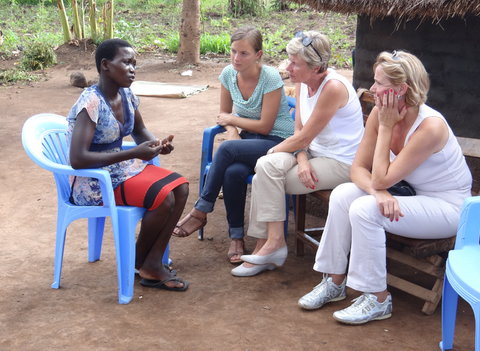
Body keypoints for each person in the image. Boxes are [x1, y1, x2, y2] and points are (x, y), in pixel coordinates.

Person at [297, 50, 472, 325]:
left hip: (448, 208)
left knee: (367, 210)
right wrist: (378, 191)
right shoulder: (380, 113)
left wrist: (387, 129)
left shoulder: (430, 127)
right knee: (344, 195)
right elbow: (358, 169)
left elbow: (380, 179)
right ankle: (334, 281)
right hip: (410, 194)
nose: (374, 89)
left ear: (401, 89)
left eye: (380, 84)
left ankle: (378, 299)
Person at [231, 30, 364, 277]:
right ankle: (271, 244)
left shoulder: (333, 88)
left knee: (266, 172)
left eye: (295, 63)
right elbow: (300, 130)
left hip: (341, 162)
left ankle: (268, 246)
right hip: (311, 151)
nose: (288, 68)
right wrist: (301, 158)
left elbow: (302, 137)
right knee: (267, 167)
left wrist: (273, 149)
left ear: (316, 68)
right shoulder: (302, 83)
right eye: (289, 60)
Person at [67, 38, 190, 291]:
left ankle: (149, 261)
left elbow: (140, 130)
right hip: (93, 182)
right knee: (163, 198)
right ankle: (144, 263)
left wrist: (157, 145)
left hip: (120, 171)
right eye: (126, 62)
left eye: (134, 63)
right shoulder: (91, 102)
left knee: (181, 188)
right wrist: (132, 153)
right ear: (105, 65)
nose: (133, 69)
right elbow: (78, 159)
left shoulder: (126, 95)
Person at [172, 26, 295, 264]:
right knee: (233, 172)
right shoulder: (228, 74)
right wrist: (231, 130)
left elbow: (266, 126)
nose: (236, 58)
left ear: (258, 55)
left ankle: (201, 210)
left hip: (277, 142)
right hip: (247, 141)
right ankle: (236, 238)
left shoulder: (269, 77)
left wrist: (232, 121)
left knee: (227, 151)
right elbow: (223, 114)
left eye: (244, 53)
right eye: (233, 52)